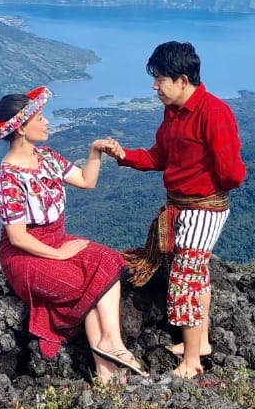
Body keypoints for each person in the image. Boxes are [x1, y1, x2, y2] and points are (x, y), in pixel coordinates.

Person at [0, 86, 147, 383]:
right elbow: (18, 238)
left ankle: (110, 356)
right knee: (84, 283)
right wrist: (59, 253)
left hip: (56, 241)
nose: (46, 122)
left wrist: (95, 152)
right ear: (20, 129)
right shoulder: (6, 179)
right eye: (40, 118)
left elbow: (86, 181)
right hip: (26, 257)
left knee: (107, 259)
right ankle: (109, 360)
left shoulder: (47, 158)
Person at [101, 41, 247, 379]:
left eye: (161, 79)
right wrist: (124, 156)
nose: (155, 87)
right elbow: (159, 157)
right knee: (196, 275)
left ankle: (192, 361)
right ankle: (201, 343)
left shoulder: (214, 112)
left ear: (183, 79)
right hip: (183, 207)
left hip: (203, 209)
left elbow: (234, 173)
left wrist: (203, 186)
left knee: (185, 280)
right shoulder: (174, 113)